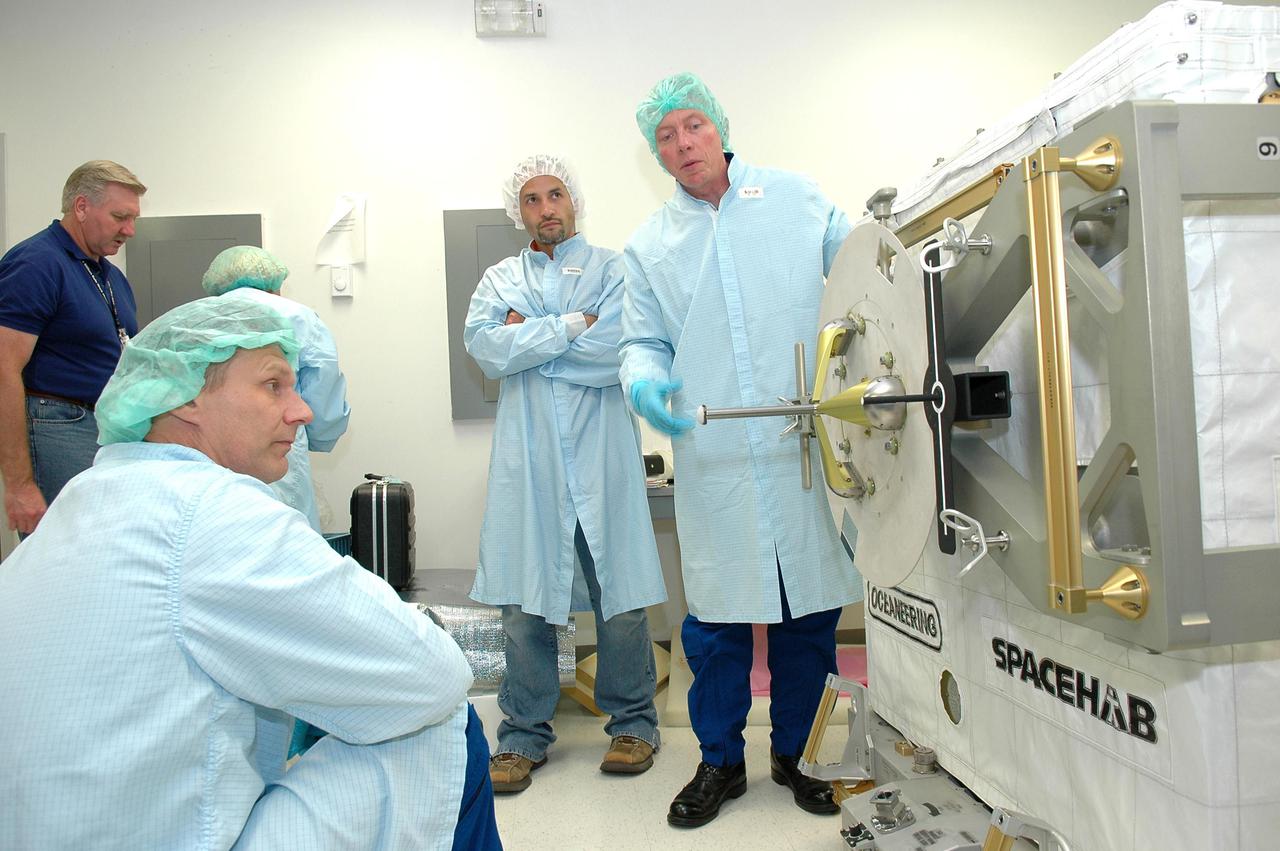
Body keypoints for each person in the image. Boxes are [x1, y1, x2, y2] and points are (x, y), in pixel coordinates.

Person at [0, 297, 502, 851]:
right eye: (273, 385)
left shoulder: (81, 503)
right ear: (186, 397)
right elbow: (432, 675)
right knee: (443, 725)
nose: (302, 411)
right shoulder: (212, 513)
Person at [620, 72, 864, 828]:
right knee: (716, 624)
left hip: (804, 447)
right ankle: (721, 761)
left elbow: (860, 270)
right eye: (666, 136)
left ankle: (799, 754)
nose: (683, 142)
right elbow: (640, 340)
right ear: (657, 155)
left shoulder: (795, 198)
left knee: (807, 616)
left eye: (692, 125)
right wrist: (643, 382)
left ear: (719, 127)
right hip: (715, 450)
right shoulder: (650, 245)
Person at [464, 154, 667, 794]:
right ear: (518, 212)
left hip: (603, 458)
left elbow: (615, 353)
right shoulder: (499, 278)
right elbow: (486, 349)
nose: (546, 207)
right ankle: (522, 735)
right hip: (530, 464)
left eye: (555, 194)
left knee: (620, 598)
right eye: (531, 199)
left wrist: (532, 339)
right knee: (524, 604)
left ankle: (634, 725)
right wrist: (576, 326)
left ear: (573, 200)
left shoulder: (614, 270)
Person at [0, 159, 146, 534]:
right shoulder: (37, 264)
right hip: (58, 426)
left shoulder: (109, 276)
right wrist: (19, 485)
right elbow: (3, 369)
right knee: (65, 547)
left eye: (133, 219)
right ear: (81, 207)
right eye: (119, 217)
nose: (129, 230)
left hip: (102, 429)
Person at [201, 245, 350, 532]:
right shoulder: (299, 316)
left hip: (213, 448)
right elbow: (323, 397)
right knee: (285, 533)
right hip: (279, 445)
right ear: (274, 284)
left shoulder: (198, 318)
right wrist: (319, 436)